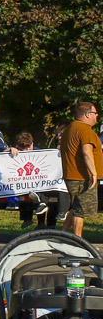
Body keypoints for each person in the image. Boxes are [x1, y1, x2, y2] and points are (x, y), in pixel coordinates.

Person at [61, 102, 100, 238]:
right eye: (95, 113)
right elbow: (86, 152)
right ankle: (77, 241)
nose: (97, 116)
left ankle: (62, 236)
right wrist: (93, 173)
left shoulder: (70, 128)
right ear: (88, 114)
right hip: (82, 177)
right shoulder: (84, 130)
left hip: (72, 175)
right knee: (80, 210)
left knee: (75, 207)